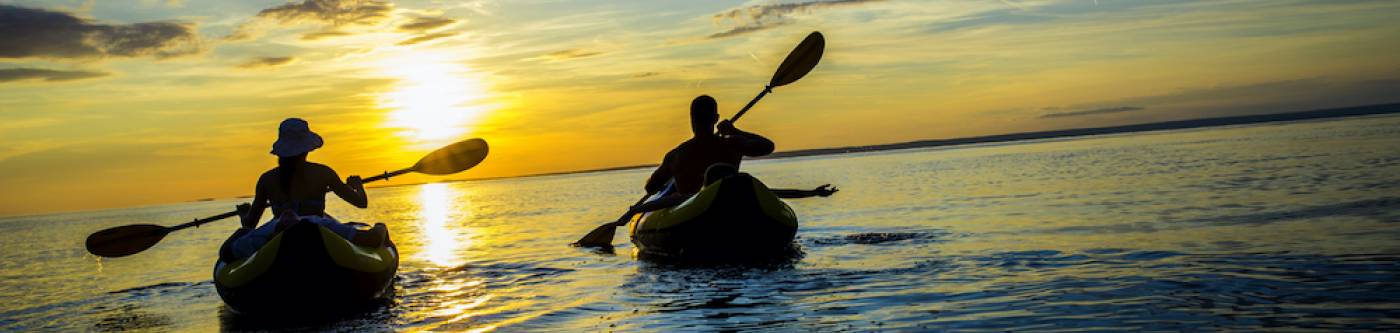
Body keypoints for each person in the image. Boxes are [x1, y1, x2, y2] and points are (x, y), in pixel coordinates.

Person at [625, 95, 836, 215]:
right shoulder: (732, 145)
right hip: (734, 209)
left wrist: (637, 209)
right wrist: (735, 131)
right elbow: (766, 146)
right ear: (716, 118)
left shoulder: (677, 155)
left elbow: (651, 187)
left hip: (690, 213)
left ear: (691, 119)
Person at [220, 118, 388, 261]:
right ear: (307, 148)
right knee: (371, 239)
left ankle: (274, 239)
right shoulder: (323, 172)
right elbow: (361, 203)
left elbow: (250, 224)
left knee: (226, 252)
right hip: (316, 225)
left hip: (277, 226)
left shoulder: (267, 179)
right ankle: (382, 227)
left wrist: (244, 216)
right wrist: (357, 185)